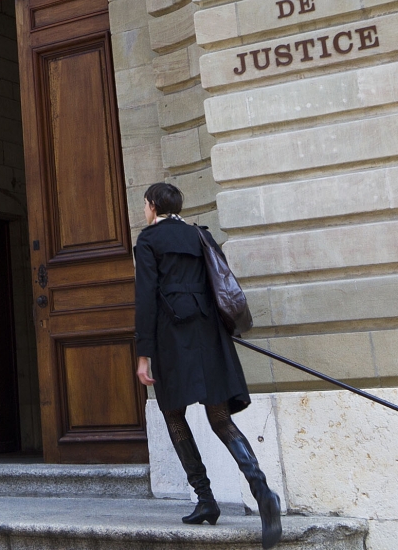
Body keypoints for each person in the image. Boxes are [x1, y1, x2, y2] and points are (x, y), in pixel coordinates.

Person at [134, 180, 281, 549]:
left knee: (172, 413)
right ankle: (261, 490)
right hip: (209, 337)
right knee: (220, 419)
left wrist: (143, 353)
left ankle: (205, 498)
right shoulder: (199, 235)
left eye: (144, 204)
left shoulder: (148, 241)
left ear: (152, 205)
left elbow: (146, 300)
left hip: (172, 339)